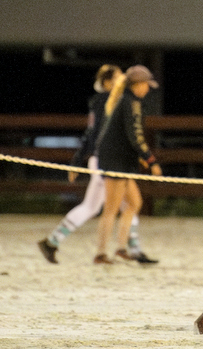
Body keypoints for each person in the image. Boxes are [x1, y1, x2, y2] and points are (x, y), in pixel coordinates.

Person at [38, 65, 157, 264]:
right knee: (96, 207)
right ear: (108, 82)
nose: (122, 79)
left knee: (130, 203)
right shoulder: (109, 101)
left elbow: (91, 133)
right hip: (107, 160)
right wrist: (78, 160)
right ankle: (57, 242)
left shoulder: (110, 101)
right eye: (119, 76)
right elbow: (93, 134)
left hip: (108, 159)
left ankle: (130, 248)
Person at [94, 65, 163, 264]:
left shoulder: (127, 101)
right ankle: (100, 253)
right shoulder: (131, 103)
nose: (148, 89)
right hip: (116, 160)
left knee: (134, 203)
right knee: (111, 208)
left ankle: (121, 248)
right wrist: (151, 160)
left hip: (121, 159)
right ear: (138, 85)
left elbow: (128, 135)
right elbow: (136, 136)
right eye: (146, 85)